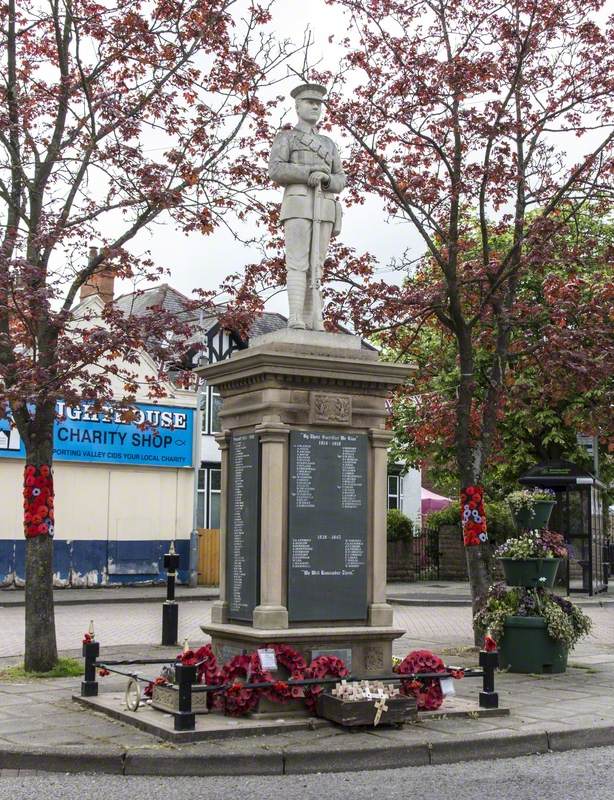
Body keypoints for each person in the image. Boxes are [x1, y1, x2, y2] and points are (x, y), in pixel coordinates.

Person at [268, 83, 346, 330]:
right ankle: (296, 317)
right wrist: (309, 172)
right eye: (310, 102)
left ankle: (314, 317)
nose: (315, 107)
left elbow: (340, 179)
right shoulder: (286, 138)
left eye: (319, 103)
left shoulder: (329, 143)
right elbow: (277, 170)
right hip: (298, 205)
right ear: (297, 106)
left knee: (317, 266)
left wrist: (326, 178)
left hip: (324, 207)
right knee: (298, 262)